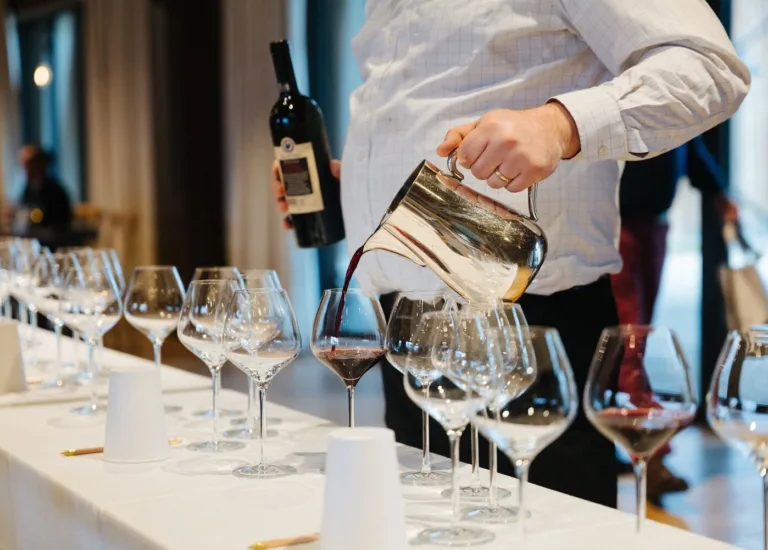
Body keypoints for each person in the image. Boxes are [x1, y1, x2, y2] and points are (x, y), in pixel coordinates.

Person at [272, 1, 749, 508]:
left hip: (523, 323)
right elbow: (420, 103)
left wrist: (558, 126)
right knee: (427, 528)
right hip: (404, 330)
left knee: (544, 531)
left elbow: (710, 66)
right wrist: (362, 188)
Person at [612, 137, 739, 499]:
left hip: (653, 225)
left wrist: (718, 192)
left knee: (639, 340)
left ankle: (639, 450)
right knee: (629, 345)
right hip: (615, 227)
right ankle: (651, 456)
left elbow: (690, 142)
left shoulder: (666, 98)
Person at [18, 145, 72, 229]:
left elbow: (60, 223)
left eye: (29, 165)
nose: (26, 169)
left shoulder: (56, 191)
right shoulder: (28, 188)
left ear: (41, 164)